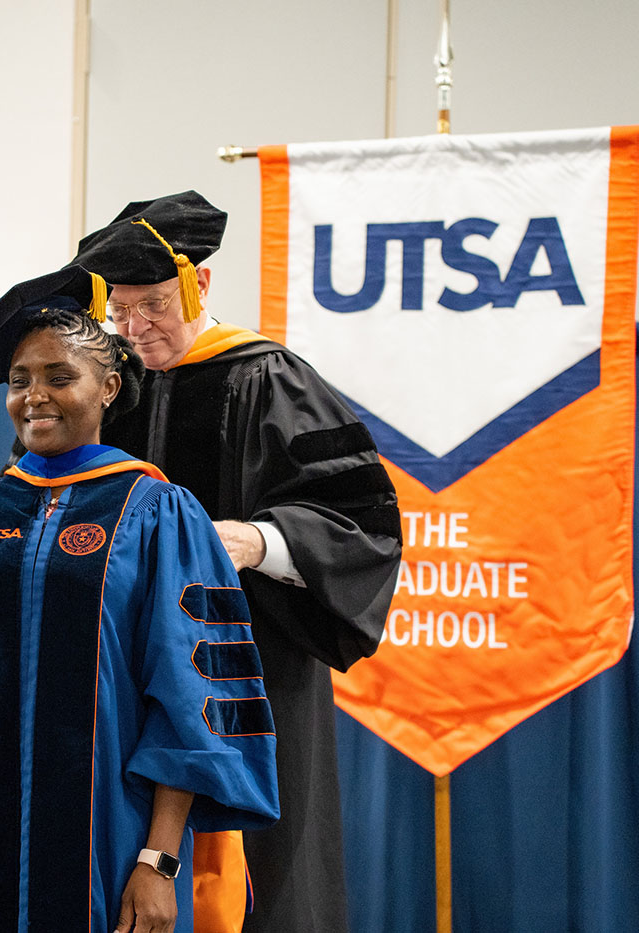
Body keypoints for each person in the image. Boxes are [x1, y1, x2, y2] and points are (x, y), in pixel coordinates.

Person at [0, 264, 279, 933]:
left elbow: (189, 695)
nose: (35, 396)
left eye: (59, 375)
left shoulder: (159, 511)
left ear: (109, 386)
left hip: (115, 844)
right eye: (20, 379)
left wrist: (159, 861)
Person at [70, 191, 403, 933]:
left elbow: (364, 521)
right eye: (118, 310)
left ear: (200, 287)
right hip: (121, 674)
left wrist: (256, 540)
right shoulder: (105, 386)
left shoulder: (268, 377)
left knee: (262, 879)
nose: (134, 327)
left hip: (250, 669)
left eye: (153, 304)